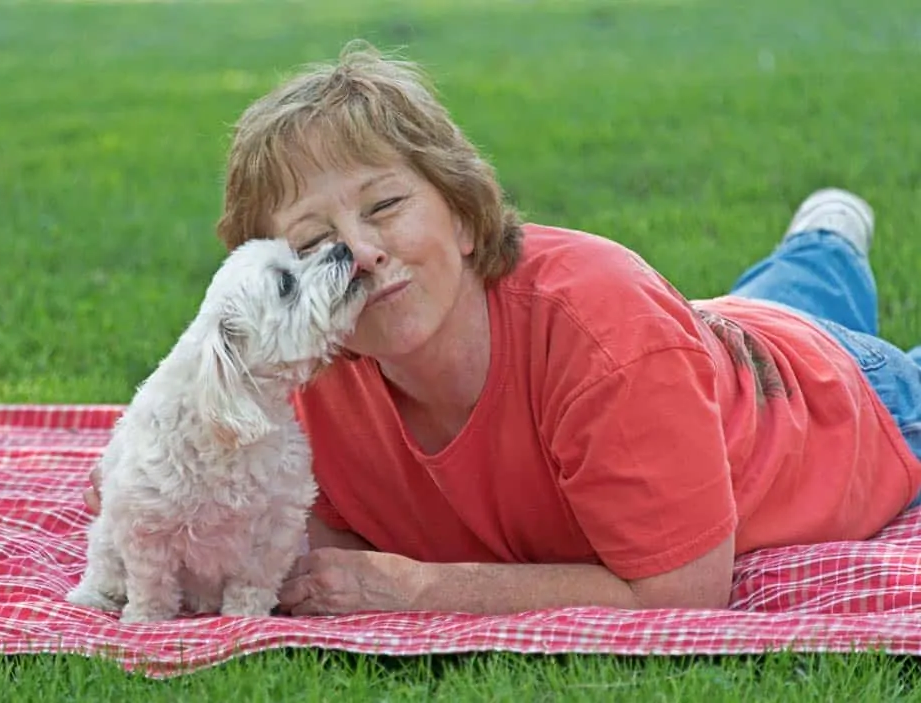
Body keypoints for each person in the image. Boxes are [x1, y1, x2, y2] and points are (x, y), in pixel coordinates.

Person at [83, 42, 921, 616]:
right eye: (316, 245)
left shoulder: (608, 341)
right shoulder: (309, 375)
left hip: (855, 407)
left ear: (465, 216)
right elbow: (271, 513)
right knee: (768, 300)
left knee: (810, 330)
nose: (363, 255)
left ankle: (822, 246)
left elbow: (679, 590)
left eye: (385, 205)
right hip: (714, 336)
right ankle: (822, 244)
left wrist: (419, 589)